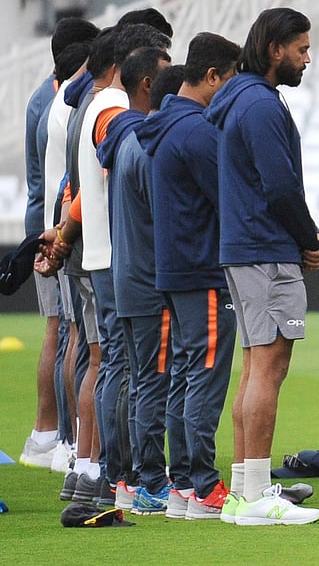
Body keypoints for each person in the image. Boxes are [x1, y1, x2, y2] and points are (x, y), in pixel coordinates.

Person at [209, 7, 319, 525]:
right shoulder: (258, 104)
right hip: (266, 247)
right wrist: (309, 239)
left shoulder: (240, 99)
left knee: (255, 366)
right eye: (300, 48)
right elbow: (279, 186)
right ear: (275, 49)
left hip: (245, 245)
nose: (306, 58)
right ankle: (256, 497)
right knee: (269, 367)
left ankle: (244, 491)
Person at [138, 33, 244, 520]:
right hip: (202, 268)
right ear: (212, 77)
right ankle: (203, 486)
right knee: (204, 376)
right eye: (230, 79)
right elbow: (230, 196)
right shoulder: (198, 131)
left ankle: (183, 484)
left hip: (174, 268)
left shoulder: (161, 126)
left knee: (184, 374)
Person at [20, 18, 99, 473]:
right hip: (59, 230)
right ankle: (63, 439)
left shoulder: (41, 98)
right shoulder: (62, 100)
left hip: (45, 224)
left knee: (61, 331)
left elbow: (37, 179)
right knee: (68, 333)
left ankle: (49, 434)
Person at [99, 46, 172, 511]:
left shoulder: (123, 140)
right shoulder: (145, 144)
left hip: (126, 275)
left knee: (135, 378)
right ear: (148, 83)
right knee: (152, 382)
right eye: (168, 77)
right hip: (148, 280)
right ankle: (149, 480)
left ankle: (124, 477)